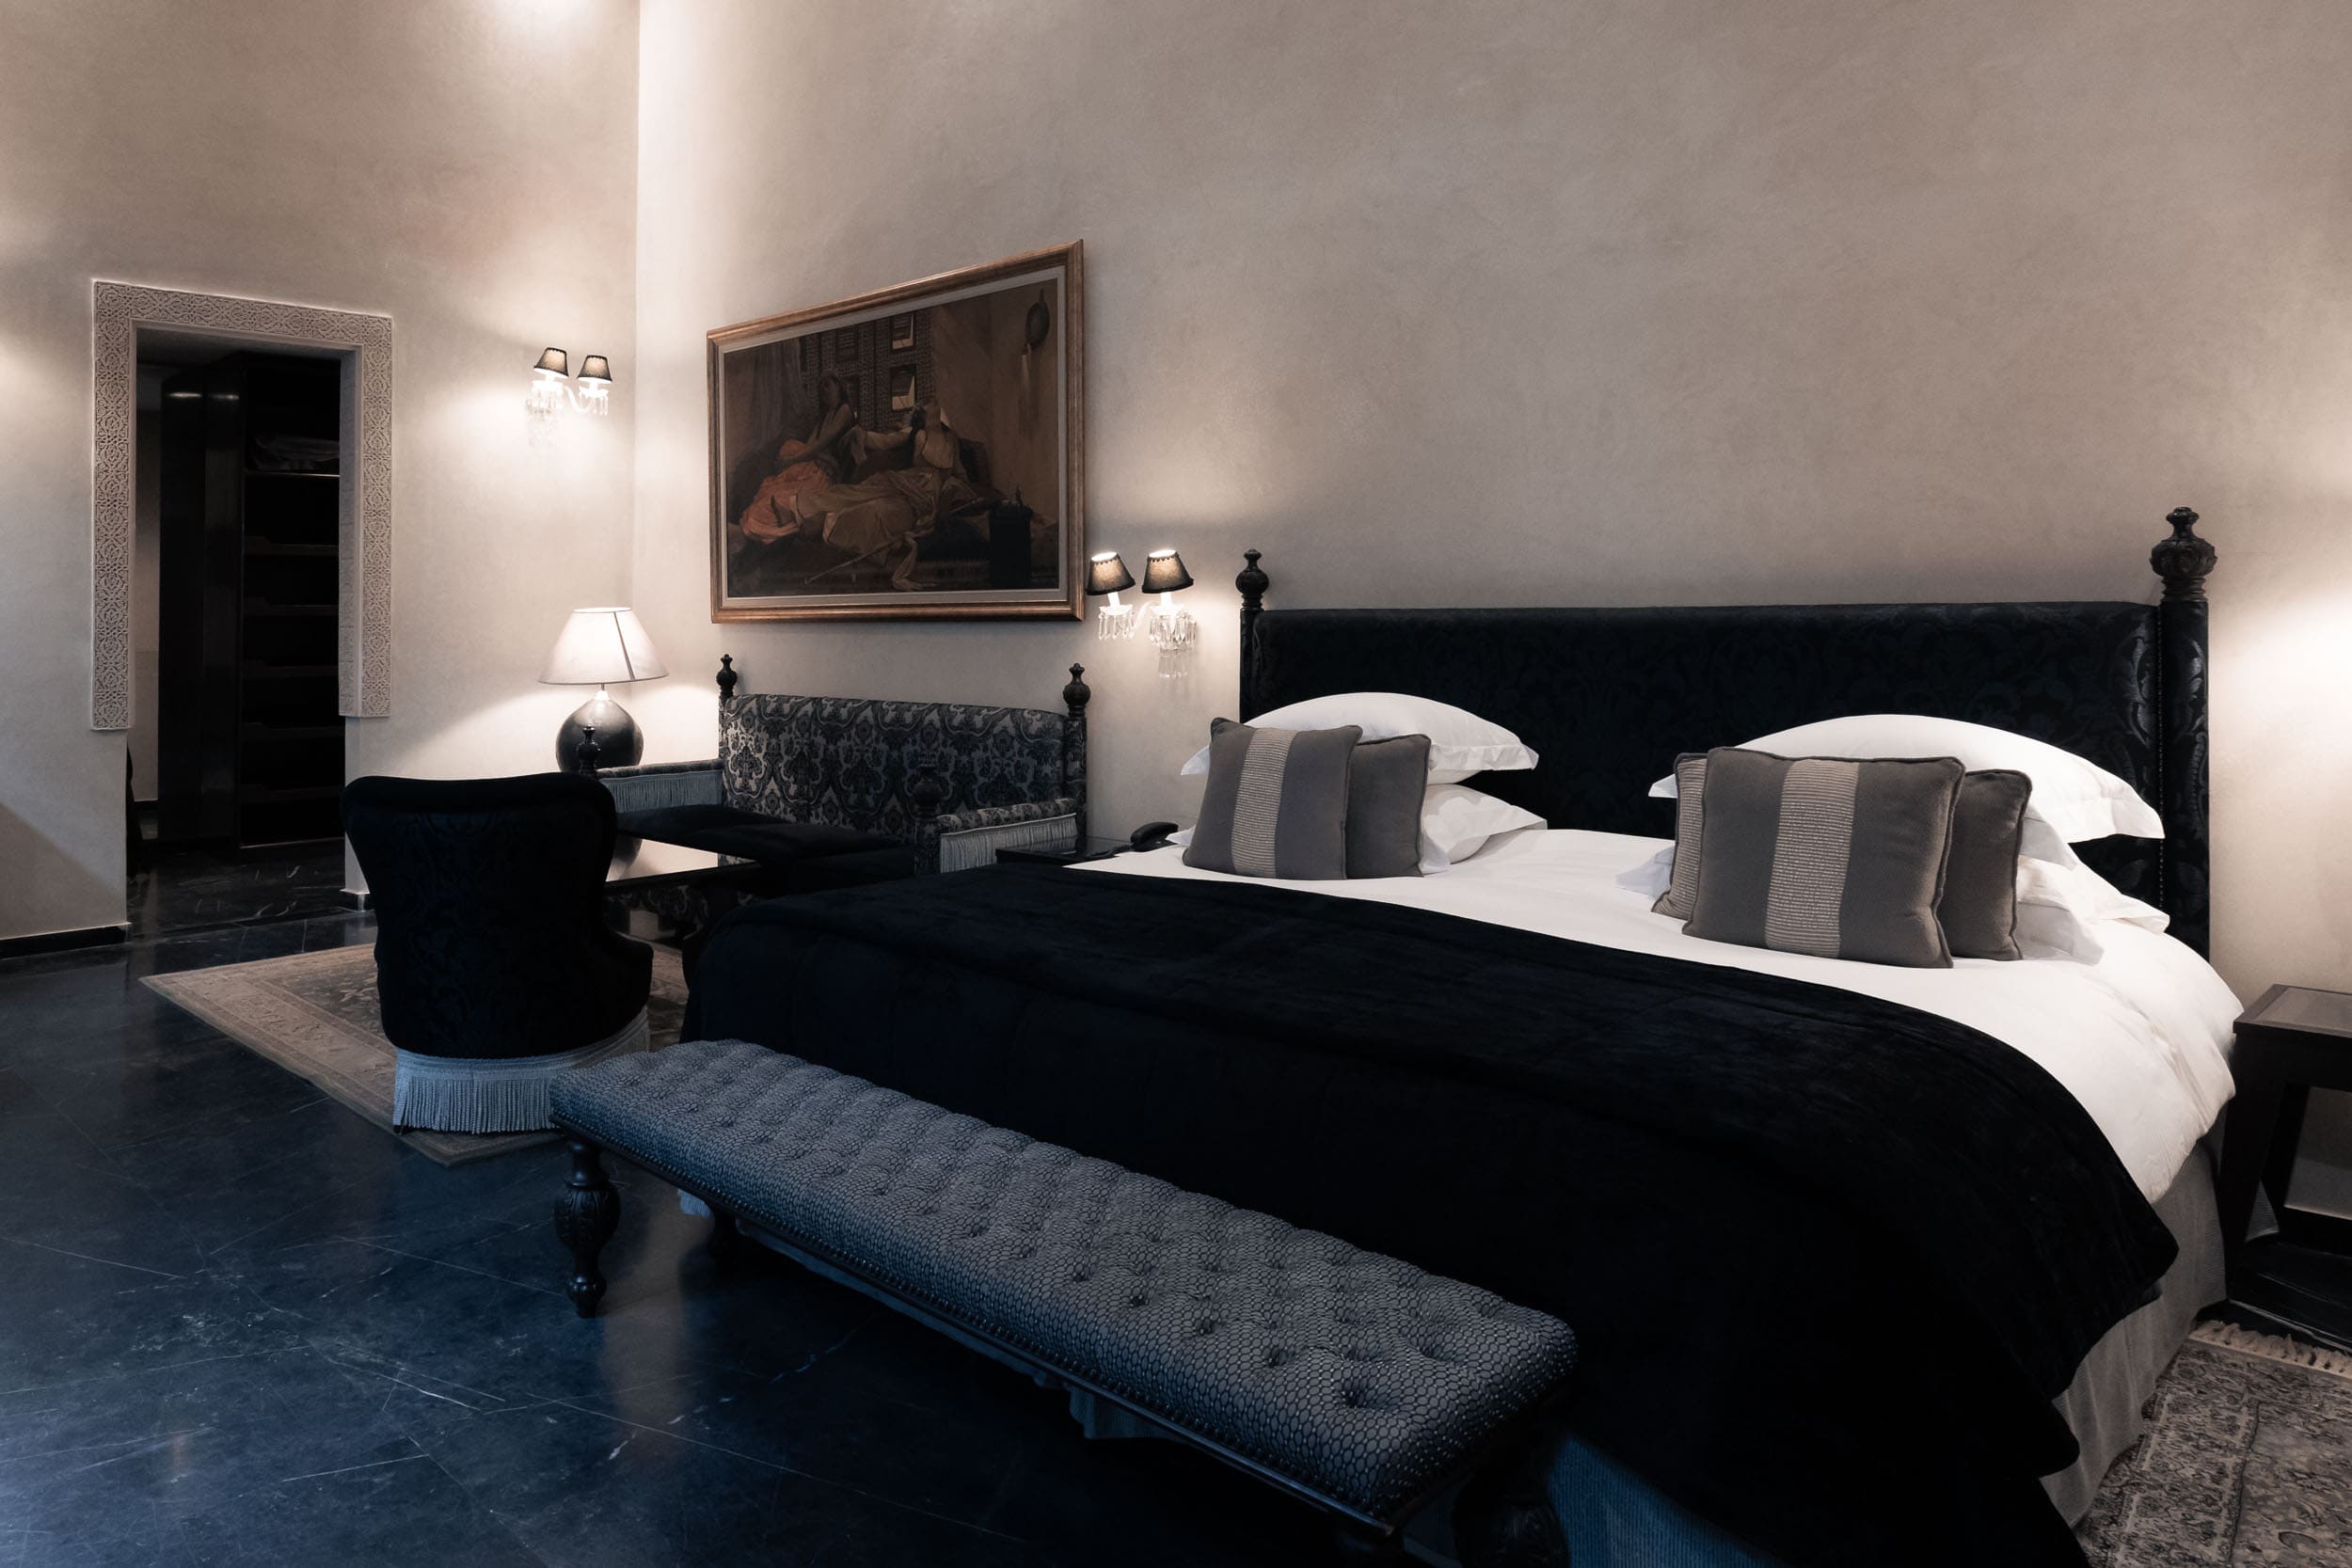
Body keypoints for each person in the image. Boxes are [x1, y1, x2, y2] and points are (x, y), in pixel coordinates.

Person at [786, 399, 979, 591]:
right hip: (903, 482)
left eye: (928, 412)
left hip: (923, 498)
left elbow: (959, 471)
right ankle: (799, 507)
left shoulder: (951, 439)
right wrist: (861, 434)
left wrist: (959, 489)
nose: (925, 416)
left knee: (876, 509)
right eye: (923, 412)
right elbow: (885, 441)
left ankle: (825, 523)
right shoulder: (914, 433)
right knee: (856, 493)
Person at [735, 372, 856, 546]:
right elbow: (810, 446)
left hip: (824, 474)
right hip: (812, 466)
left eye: (827, 385)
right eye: (820, 388)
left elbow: (820, 445)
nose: (823, 391)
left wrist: (791, 461)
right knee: (786, 454)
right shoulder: (823, 417)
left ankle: (764, 528)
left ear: (838, 386)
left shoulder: (843, 411)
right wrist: (793, 458)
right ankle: (747, 532)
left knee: (781, 498)